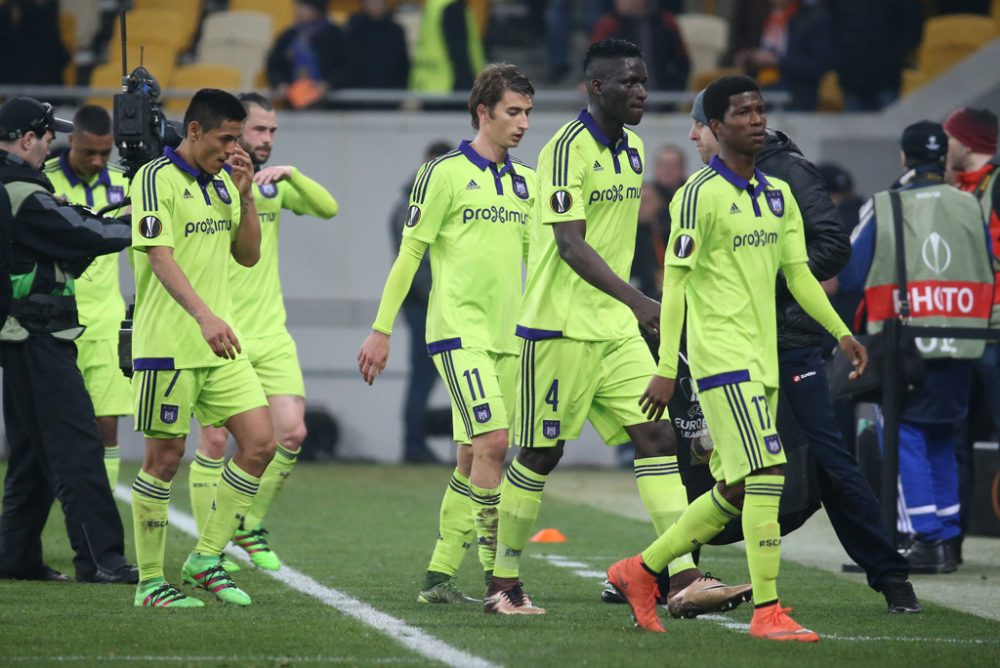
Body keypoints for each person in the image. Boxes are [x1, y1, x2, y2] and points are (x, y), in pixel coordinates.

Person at [487, 40, 751, 617]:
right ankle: (502, 582)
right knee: (539, 454)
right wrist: (641, 301)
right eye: (629, 82)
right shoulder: (565, 150)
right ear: (597, 87)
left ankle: (680, 576)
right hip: (556, 331)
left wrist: (635, 306)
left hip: (614, 330)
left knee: (657, 440)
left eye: (644, 81)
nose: (641, 92)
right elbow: (570, 242)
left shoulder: (632, 149)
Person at [607, 75, 868, 639]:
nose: (756, 119)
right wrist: (665, 367)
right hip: (721, 361)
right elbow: (673, 287)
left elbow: (798, 272)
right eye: (743, 112)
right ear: (715, 127)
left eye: (760, 110)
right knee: (768, 472)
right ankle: (767, 611)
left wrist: (841, 332)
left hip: (764, 360)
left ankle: (640, 570)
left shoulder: (776, 194)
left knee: (734, 488)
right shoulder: (696, 195)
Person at [685, 89, 920, 613]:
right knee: (717, 461)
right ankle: (673, 571)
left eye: (697, 125)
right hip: (730, 345)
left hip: (787, 345)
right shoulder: (706, 188)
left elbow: (832, 247)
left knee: (824, 463)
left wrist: (763, 288)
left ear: (716, 126)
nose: (693, 136)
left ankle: (891, 578)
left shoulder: (786, 174)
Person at [358, 63, 535, 605]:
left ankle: (438, 578)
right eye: (513, 112)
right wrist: (381, 330)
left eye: (528, 112)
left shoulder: (528, 183)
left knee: (470, 456)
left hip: (510, 337)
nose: (523, 123)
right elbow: (410, 253)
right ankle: (498, 581)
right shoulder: (443, 173)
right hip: (457, 332)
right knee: (495, 445)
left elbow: (539, 264)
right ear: (484, 112)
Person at [128, 89, 274, 608]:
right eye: (226, 138)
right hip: (169, 344)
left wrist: (247, 194)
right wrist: (203, 315)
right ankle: (149, 584)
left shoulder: (224, 185)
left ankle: (206, 558)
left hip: (219, 344)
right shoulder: (153, 179)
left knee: (260, 444)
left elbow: (249, 256)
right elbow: (161, 258)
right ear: (194, 131)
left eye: (238, 138)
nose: (235, 148)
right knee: (164, 460)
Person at [191, 92, 339, 572]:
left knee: (292, 433)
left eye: (272, 131)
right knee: (214, 443)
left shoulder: (274, 187)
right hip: (223, 331)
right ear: (234, 130)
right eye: (258, 130)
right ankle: (209, 548)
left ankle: (248, 526)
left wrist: (293, 174)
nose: (266, 140)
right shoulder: (207, 183)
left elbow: (329, 208)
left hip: (270, 332)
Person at [841, 121, 994, 574]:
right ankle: (945, 538)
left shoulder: (887, 205)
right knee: (943, 437)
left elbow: (850, 273)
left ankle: (923, 538)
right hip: (964, 337)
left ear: (904, 158)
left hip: (905, 340)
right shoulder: (970, 203)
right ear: (942, 157)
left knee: (902, 435)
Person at [0, 97, 137, 584]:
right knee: (78, 444)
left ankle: (13, 557)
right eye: (47, 136)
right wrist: (142, 222)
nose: (52, 145)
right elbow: (83, 233)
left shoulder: (17, 188)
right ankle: (101, 560)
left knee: (34, 454)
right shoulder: (20, 192)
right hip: (37, 334)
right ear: (27, 139)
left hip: (21, 336)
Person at [42, 105, 131, 490]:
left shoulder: (124, 184)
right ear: (71, 141)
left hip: (105, 322)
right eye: (88, 152)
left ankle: (103, 514)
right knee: (51, 426)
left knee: (106, 423)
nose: (97, 160)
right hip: (54, 321)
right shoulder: (41, 179)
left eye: (105, 153)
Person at [945, 107, 1000, 559]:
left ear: (967, 140)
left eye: (950, 136)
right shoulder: (949, 190)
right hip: (961, 331)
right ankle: (950, 541)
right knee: (954, 436)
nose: (945, 145)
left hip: (996, 332)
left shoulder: (996, 186)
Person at [388, 140, 453, 464]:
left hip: (427, 302)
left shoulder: (413, 200)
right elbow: (413, 262)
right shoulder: (413, 204)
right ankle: (413, 445)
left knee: (430, 375)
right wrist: (441, 297)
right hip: (423, 304)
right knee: (425, 375)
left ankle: (417, 444)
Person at [734, 0, 834, 111]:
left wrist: (777, 61)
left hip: (796, 101)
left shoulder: (813, 18)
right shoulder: (760, 14)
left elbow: (817, 66)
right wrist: (748, 57)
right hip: (759, 96)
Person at [828, 0, 922, 111]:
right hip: (851, 76)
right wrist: (839, 58)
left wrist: (894, 57)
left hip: (885, 77)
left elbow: (913, 25)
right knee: (853, 126)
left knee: (887, 125)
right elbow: (830, 25)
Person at [590, 0, 690, 92]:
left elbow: (683, 64)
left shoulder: (667, 23)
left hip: (661, 102)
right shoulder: (607, 26)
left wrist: (672, 93)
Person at [266, 0, 350, 109]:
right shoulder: (289, 35)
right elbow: (274, 65)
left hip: (328, 104)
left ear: (317, 9)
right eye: (297, 7)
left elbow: (346, 66)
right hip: (293, 103)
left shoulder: (335, 34)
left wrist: (328, 84)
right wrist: (280, 83)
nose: (298, 11)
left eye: (303, 7)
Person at [409, 0, 485, 93]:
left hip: (430, 84)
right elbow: (459, 53)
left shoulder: (434, 4)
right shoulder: (453, 7)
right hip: (451, 86)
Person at [346, 0, 410, 89]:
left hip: (390, 92)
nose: (374, 6)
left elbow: (402, 63)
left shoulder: (396, 31)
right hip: (358, 92)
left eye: (378, 2)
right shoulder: (353, 29)